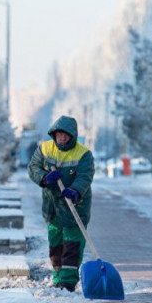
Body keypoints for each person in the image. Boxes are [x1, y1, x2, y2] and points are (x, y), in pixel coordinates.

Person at [27, 115, 95, 292]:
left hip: (75, 208)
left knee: (72, 247)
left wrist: (75, 190)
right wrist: (44, 177)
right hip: (53, 209)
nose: (62, 139)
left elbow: (85, 176)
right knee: (55, 246)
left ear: (72, 136)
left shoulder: (83, 154)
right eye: (59, 135)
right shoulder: (44, 149)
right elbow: (33, 167)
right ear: (54, 134)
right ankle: (58, 278)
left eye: (66, 136)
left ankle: (68, 283)